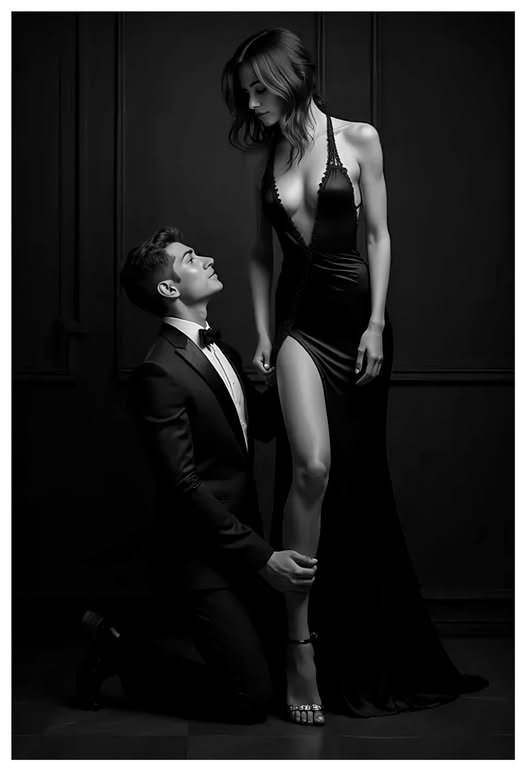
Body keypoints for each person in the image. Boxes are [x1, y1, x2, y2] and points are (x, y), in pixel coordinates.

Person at [222, 28, 487, 723]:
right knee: (310, 467)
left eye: (259, 88)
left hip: (356, 324)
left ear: (291, 77)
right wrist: (261, 332)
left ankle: (363, 632)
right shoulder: (269, 153)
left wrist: (375, 322)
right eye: (245, 93)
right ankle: (298, 643)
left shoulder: (359, 139)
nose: (251, 103)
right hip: (297, 325)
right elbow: (259, 254)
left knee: (357, 481)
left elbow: (379, 236)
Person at [76, 225, 319, 724]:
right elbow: (182, 486)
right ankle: (116, 646)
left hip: (244, 540)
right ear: (169, 287)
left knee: (280, 676)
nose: (206, 259)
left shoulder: (223, 351)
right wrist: (264, 558)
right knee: (250, 700)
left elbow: (262, 430)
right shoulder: (158, 372)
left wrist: (284, 375)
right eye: (190, 258)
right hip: (201, 557)